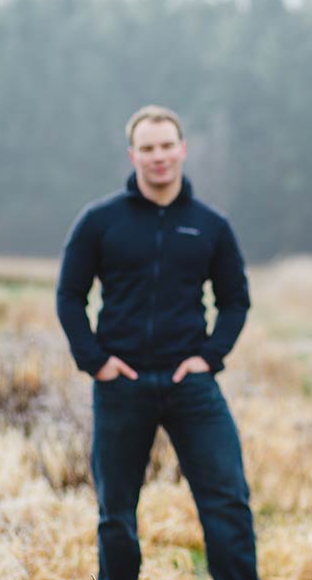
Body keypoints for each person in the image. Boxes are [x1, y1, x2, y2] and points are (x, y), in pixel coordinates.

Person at [56, 105, 257, 580]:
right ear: (133, 155)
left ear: (183, 149)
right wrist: (95, 361)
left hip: (190, 385)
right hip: (121, 384)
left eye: (167, 146)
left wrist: (209, 358)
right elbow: (69, 295)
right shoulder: (99, 221)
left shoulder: (211, 225)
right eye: (147, 148)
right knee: (116, 514)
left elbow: (235, 301)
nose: (159, 156)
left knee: (228, 504)